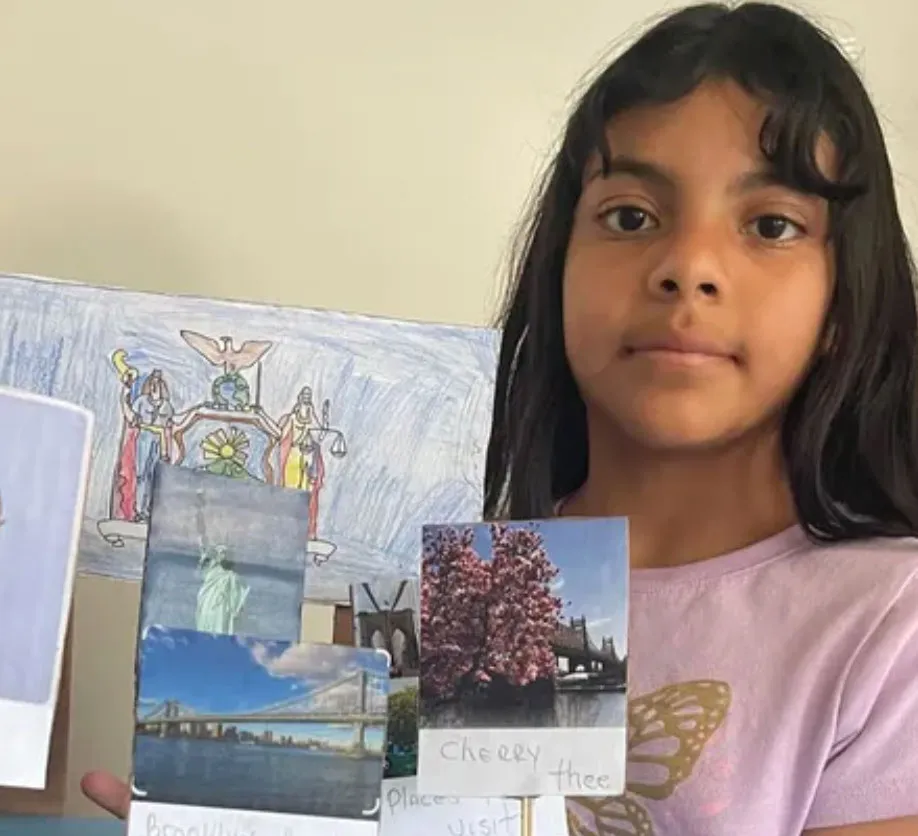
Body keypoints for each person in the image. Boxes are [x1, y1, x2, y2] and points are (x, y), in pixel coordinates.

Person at [82, 2, 918, 833]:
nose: (689, 266)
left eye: (771, 225)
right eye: (630, 216)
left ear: (844, 300)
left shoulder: (888, 621)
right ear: (558, 269)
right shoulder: (432, 591)